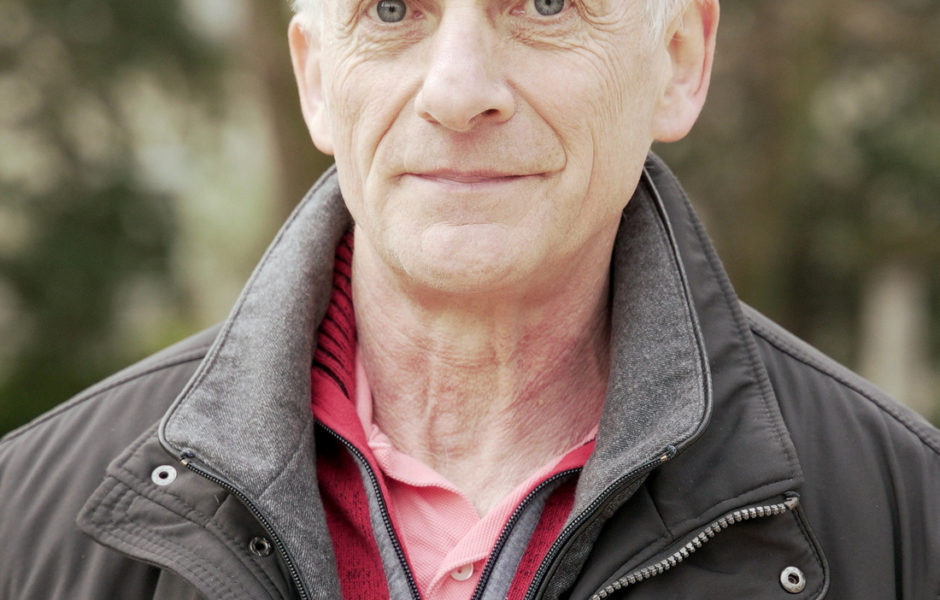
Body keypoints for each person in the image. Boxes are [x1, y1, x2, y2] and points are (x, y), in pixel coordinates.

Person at [1, 0, 937, 597]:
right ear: (316, 80)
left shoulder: (909, 519)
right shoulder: (23, 521)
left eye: (543, 3)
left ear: (681, 59)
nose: (458, 91)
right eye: (394, 9)